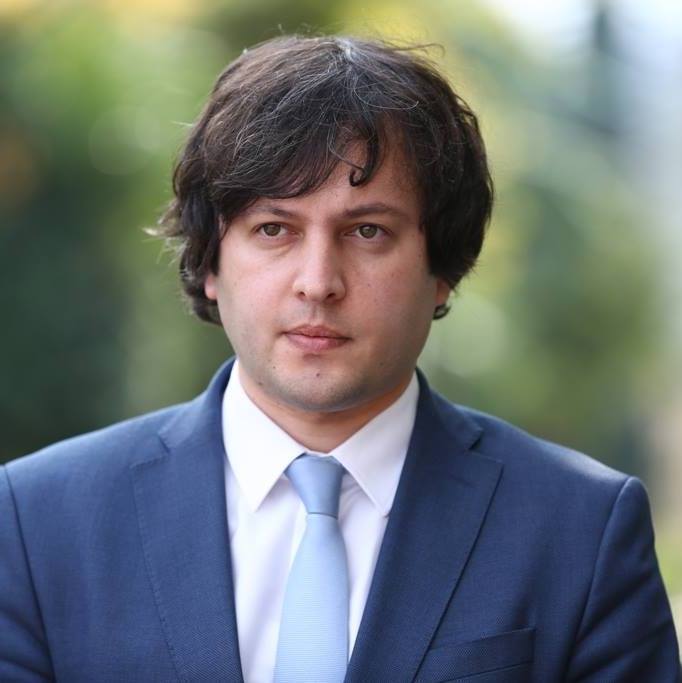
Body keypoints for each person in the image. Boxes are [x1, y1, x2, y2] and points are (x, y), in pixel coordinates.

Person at [0, 35, 679, 683]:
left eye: (368, 231)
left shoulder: (580, 531)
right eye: (274, 228)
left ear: (442, 269)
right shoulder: (37, 522)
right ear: (210, 262)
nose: (318, 282)